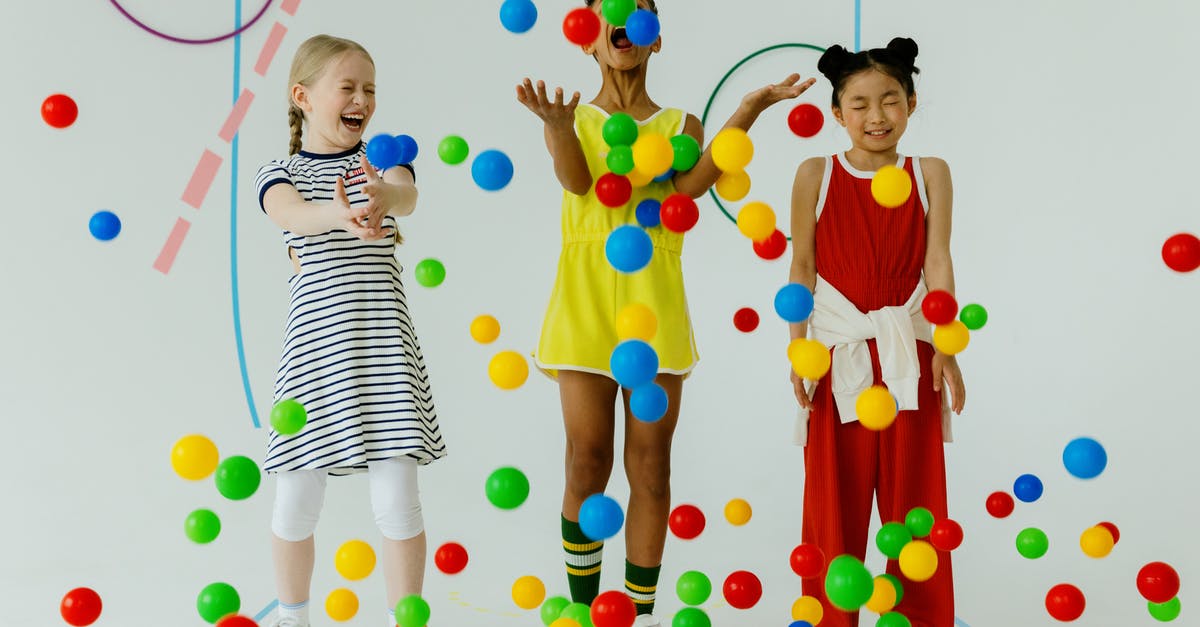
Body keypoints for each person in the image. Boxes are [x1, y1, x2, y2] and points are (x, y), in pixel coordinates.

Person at [518, 2, 813, 623]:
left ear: (656, 40)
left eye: (637, 11)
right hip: (583, 302)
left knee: (652, 466)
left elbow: (689, 187)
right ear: (587, 41)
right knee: (588, 457)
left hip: (655, 308)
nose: (622, 22)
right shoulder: (578, 118)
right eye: (608, 13)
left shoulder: (682, 124)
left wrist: (748, 112)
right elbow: (576, 184)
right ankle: (587, 610)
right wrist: (555, 127)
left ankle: (640, 615)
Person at [254, 34, 446, 627]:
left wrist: (380, 195)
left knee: (398, 503)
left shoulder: (384, 158)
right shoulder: (279, 172)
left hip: (385, 355)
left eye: (369, 89)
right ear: (302, 97)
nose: (361, 98)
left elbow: (405, 195)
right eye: (348, 87)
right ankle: (293, 615)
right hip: (314, 359)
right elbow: (287, 212)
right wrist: (335, 214)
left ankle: (405, 616)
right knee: (294, 504)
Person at [788, 37, 965, 627]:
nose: (876, 116)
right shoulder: (815, 173)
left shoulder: (930, 172)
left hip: (910, 357)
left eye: (890, 99)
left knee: (914, 508)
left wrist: (946, 345)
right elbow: (802, 269)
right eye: (859, 103)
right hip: (837, 357)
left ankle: (919, 619)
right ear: (837, 114)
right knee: (831, 510)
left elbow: (938, 263)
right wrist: (799, 349)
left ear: (912, 103)